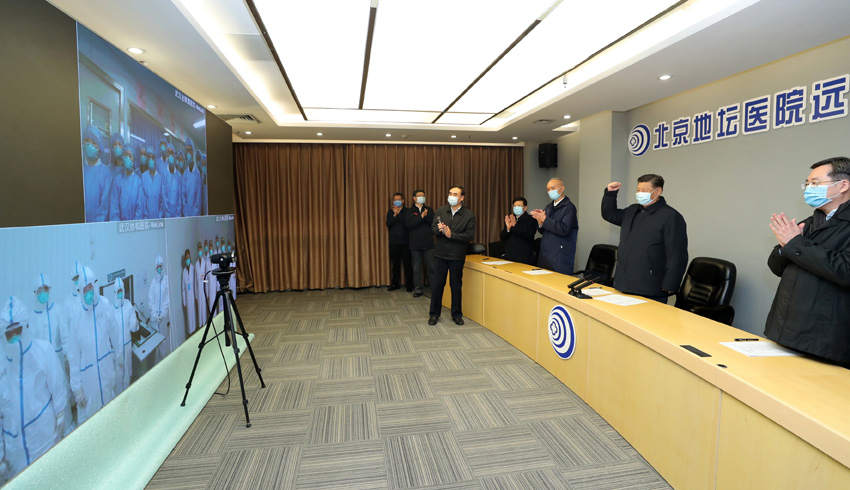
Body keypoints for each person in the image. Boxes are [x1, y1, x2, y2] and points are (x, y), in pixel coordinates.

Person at [766, 156, 850, 368]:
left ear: (843, 185)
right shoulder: (810, 223)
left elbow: (845, 270)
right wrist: (784, 246)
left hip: (824, 341)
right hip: (784, 330)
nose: (809, 188)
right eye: (807, 183)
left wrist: (795, 244)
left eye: (815, 183)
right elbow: (776, 267)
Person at [0, 296, 68, 478]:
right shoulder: (2, 367)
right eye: (9, 333)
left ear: (26, 327)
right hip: (16, 453)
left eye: (18, 331)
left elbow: (57, 386)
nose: (15, 337)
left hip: (44, 438)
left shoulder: (43, 351)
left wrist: (60, 415)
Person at [602, 175, 688, 303]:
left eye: (644, 190)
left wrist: (670, 285)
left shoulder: (671, 216)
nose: (640, 193)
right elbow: (610, 214)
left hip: (650, 287)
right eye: (638, 190)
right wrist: (610, 194)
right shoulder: (633, 210)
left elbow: (677, 254)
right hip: (624, 282)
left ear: (657, 191)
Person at [66, 266, 119, 423]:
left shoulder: (105, 305)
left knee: (110, 414)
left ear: (95, 286)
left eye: (90, 287)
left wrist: (118, 360)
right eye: (85, 289)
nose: (89, 291)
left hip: (107, 371)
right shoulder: (76, 317)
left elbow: (115, 335)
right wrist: (77, 388)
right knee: (92, 419)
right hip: (89, 380)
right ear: (80, 291)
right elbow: (73, 356)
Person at [429, 186, 476, 325]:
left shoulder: (469, 215)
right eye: (450, 193)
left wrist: (452, 235)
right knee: (437, 285)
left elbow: (469, 236)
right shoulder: (441, 211)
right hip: (440, 255)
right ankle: (434, 314)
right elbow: (433, 228)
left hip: (457, 256)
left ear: (462, 198)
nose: (451, 196)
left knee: (455, 286)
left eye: (455, 194)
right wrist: (439, 230)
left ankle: (456, 314)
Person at [531, 178, 578, 274]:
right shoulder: (548, 207)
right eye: (548, 189)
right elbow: (543, 231)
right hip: (545, 255)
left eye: (552, 188)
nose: (550, 191)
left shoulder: (569, 208)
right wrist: (540, 222)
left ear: (562, 189)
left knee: (558, 281)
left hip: (560, 256)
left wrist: (545, 219)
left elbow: (564, 229)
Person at [405, 189, 433, 297]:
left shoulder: (429, 209)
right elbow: (409, 224)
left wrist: (423, 217)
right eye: (419, 196)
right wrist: (421, 217)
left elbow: (432, 221)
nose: (422, 197)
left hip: (428, 243)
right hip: (415, 244)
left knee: (431, 267)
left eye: (423, 196)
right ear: (414, 198)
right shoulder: (409, 211)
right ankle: (418, 289)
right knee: (416, 268)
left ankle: (434, 288)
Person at [111, 281, 137, 392]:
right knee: (118, 374)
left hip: (126, 345)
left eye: (121, 290)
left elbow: (133, 327)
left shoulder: (128, 305)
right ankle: (119, 396)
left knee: (127, 372)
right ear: (114, 292)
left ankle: (127, 393)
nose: (120, 293)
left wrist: (134, 320)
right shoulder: (111, 309)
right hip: (117, 348)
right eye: (118, 291)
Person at [82, 125, 112, 222]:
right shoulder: (82, 169)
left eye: (94, 142)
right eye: (87, 141)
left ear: (99, 147)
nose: (89, 145)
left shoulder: (105, 173)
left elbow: (104, 208)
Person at [110, 142, 143, 221]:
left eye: (130, 156)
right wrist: (118, 225)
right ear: (122, 158)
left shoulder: (138, 182)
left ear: (134, 159)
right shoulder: (117, 180)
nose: (127, 158)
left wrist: (134, 225)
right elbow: (114, 207)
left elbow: (140, 208)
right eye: (125, 155)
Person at [31, 274, 64, 355]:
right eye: (40, 290)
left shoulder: (57, 310)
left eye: (45, 289)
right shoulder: (32, 316)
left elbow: (65, 335)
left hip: (57, 356)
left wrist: (66, 354)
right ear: (35, 292)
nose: (43, 292)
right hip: (41, 358)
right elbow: (31, 341)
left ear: (49, 290)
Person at [386, 193, 413, 292]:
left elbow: (407, 224)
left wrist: (399, 214)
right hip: (394, 242)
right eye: (395, 200)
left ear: (403, 201)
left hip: (406, 242)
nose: (396, 201)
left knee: (407, 265)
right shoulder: (390, 212)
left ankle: (409, 285)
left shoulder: (408, 211)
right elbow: (388, 224)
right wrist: (394, 215)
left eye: (399, 199)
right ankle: (395, 284)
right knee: (395, 265)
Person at [501, 197, 537, 265]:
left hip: (524, 257)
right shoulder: (510, 218)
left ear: (525, 208)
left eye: (519, 206)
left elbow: (528, 235)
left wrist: (514, 226)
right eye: (514, 206)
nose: (516, 208)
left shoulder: (531, 219)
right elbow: (502, 237)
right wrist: (508, 228)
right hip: (509, 256)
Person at [148, 256, 170, 363]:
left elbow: (167, 299)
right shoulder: (153, 283)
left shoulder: (166, 280)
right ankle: (158, 364)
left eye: (160, 266)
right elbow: (150, 300)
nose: (159, 268)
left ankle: (166, 362)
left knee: (164, 341)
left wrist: (163, 313)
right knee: (156, 344)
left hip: (164, 318)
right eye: (157, 267)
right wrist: (154, 315)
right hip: (155, 319)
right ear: (155, 268)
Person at [141, 144, 165, 220]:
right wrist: (145, 217)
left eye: (153, 157)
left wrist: (160, 216)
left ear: (155, 160)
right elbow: (142, 200)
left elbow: (162, 200)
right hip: (146, 218)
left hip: (158, 217)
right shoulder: (143, 177)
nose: (151, 159)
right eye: (149, 157)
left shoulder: (160, 178)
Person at [163, 143, 182, 218]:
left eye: (172, 152)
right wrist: (167, 214)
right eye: (168, 153)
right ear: (166, 155)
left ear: (174, 155)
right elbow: (163, 196)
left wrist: (178, 213)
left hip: (177, 214)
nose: (170, 155)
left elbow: (180, 197)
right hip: (167, 214)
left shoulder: (178, 175)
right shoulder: (164, 174)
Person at [181, 249, 196, 338]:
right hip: (187, 297)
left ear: (190, 258)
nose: (187, 259)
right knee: (189, 316)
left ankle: (194, 331)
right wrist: (184, 302)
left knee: (194, 314)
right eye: (186, 258)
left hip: (193, 295)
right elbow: (183, 288)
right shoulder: (184, 271)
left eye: (188, 257)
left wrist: (196, 296)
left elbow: (195, 284)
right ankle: (190, 333)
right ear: (185, 259)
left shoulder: (193, 268)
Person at [194, 242, 207, 330]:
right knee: (199, 307)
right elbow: (195, 280)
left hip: (203, 288)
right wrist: (195, 294)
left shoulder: (204, 262)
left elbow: (207, 277)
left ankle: (205, 323)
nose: (199, 251)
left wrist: (205, 284)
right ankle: (200, 325)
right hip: (198, 289)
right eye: (198, 250)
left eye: (200, 249)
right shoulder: (196, 264)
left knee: (204, 307)